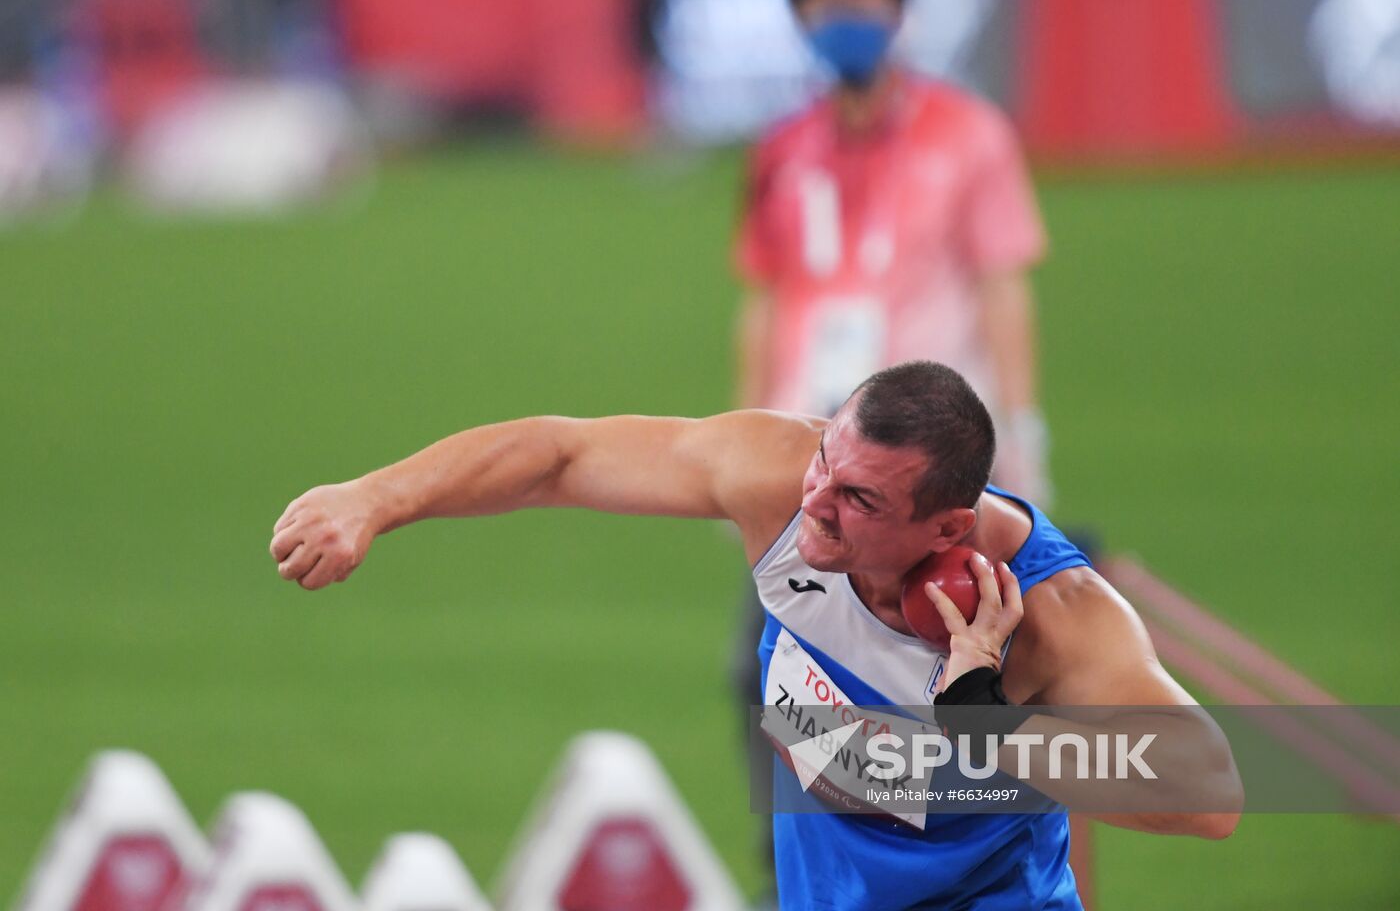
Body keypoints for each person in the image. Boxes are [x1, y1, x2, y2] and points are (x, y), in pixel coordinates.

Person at [270, 361, 1241, 911]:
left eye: (857, 498)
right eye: (825, 461)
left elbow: (1210, 795)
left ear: (946, 529)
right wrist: (374, 498)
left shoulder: (1052, 617)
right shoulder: (779, 483)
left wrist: (988, 729)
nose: (813, 506)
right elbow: (560, 454)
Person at [736, 0, 1050, 504]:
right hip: (807, 440)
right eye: (827, 0)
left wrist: (1021, 425)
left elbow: (1001, 286)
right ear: (800, 13)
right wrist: (743, 430)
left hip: (931, 444)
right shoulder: (782, 147)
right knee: (787, 589)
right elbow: (763, 296)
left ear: (899, 6)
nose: (844, 14)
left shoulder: (970, 133)